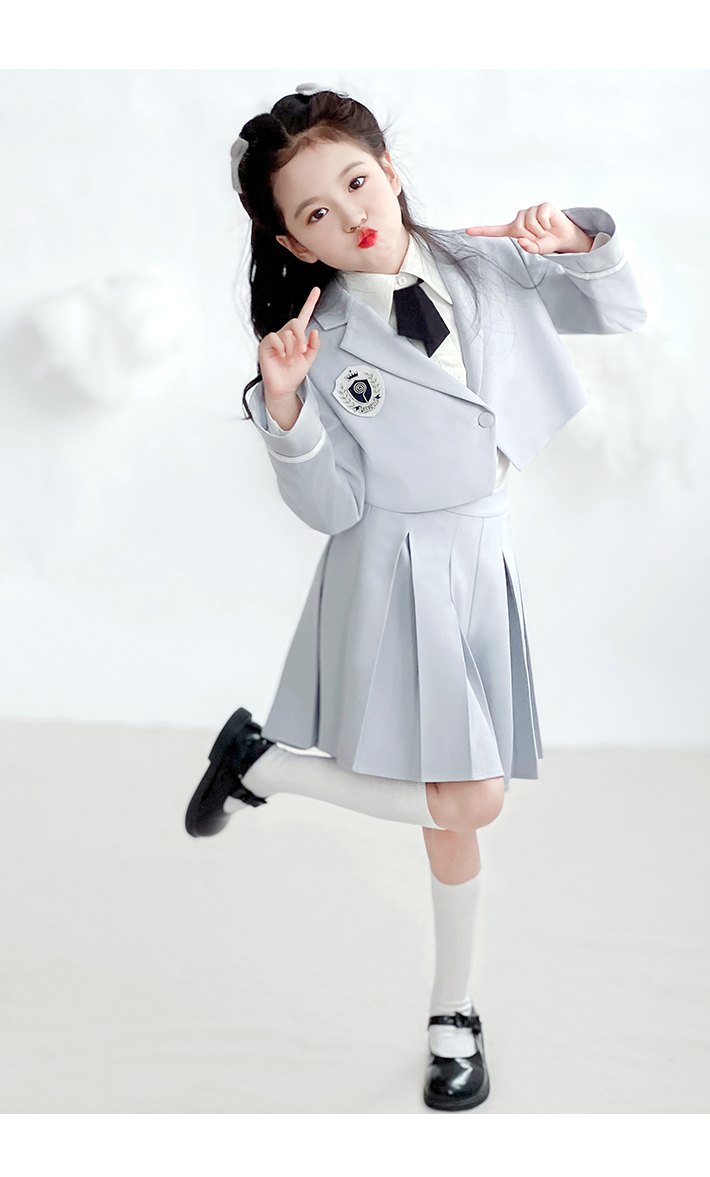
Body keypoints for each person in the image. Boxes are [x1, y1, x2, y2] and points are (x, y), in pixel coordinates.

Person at [185, 83, 649, 1112]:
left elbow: (616, 308)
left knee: (456, 818)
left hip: (482, 555)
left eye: (357, 181)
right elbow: (332, 506)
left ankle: (453, 1013)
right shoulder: (319, 348)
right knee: (473, 797)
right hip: (394, 570)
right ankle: (265, 767)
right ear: (292, 242)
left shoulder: (482, 262)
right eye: (315, 211)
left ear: (390, 171)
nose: (350, 214)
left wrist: (578, 237)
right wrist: (288, 409)